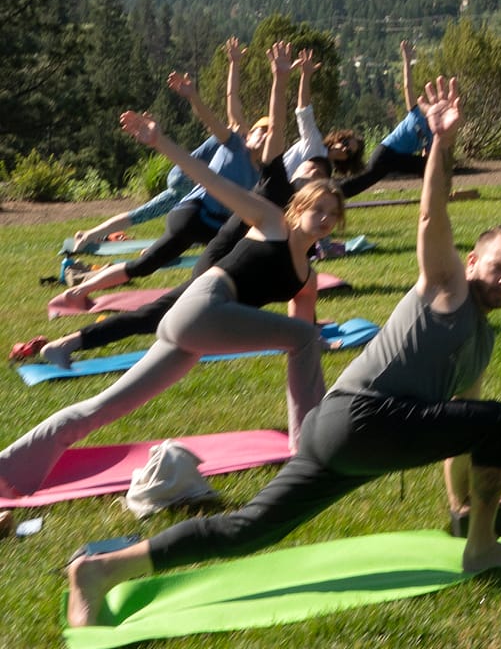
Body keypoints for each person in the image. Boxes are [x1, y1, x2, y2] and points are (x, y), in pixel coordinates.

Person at [65, 75, 501, 625]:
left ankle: (103, 570)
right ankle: (481, 548)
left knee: (246, 530)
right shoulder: (447, 286)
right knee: (498, 420)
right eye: (498, 265)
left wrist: (458, 504)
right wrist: (442, 145)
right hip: (361, 420)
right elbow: (431, 215)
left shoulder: (482, 339)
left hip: (340, 430)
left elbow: (460, 434)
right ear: (472, 261)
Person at [0, 109, 343, 505]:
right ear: (296, 209)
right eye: (318, 210)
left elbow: (303, 347)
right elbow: (210, 181)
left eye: (333, 215)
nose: (325, 219)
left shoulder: (307, 280)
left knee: (103, 408)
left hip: (192, 334)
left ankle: (9, 469)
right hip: (201, 307)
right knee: (302, 336)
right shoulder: (269, 222)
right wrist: (160, 141)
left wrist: (317, 346)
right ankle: (311, 453)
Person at [22, 46, 337, 372]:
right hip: (222, 263)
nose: (312, 171)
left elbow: (303, 280)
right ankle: (68, 343)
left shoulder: (304, 206)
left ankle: (309, 336)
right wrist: (281, 78)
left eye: (318, 173)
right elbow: (277, 128)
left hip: (251, 275)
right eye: (310, 168)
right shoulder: (274, 183)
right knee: (155, 315)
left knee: (299, 286)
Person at [66, 39, 275, 302]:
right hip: (191, 211)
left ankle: (87, 276)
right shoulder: (235, 142)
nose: (264, 135)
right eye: (261, 129)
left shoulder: (264, 175)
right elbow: (223, 108)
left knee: (149, 256)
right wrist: (205, 87)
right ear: (250, 133)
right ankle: (81, 289)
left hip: (214, 224)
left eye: (271, 133)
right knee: (153, 258)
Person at [339, 41, 436, 201]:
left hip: (397, 158)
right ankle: (331, 193)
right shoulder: (415, 114)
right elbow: (407, 86)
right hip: (386, 153)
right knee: (364, 180)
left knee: (429, 165)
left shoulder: (432, 133)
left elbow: (428, 156)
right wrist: (407, 60)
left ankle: (432, 196)